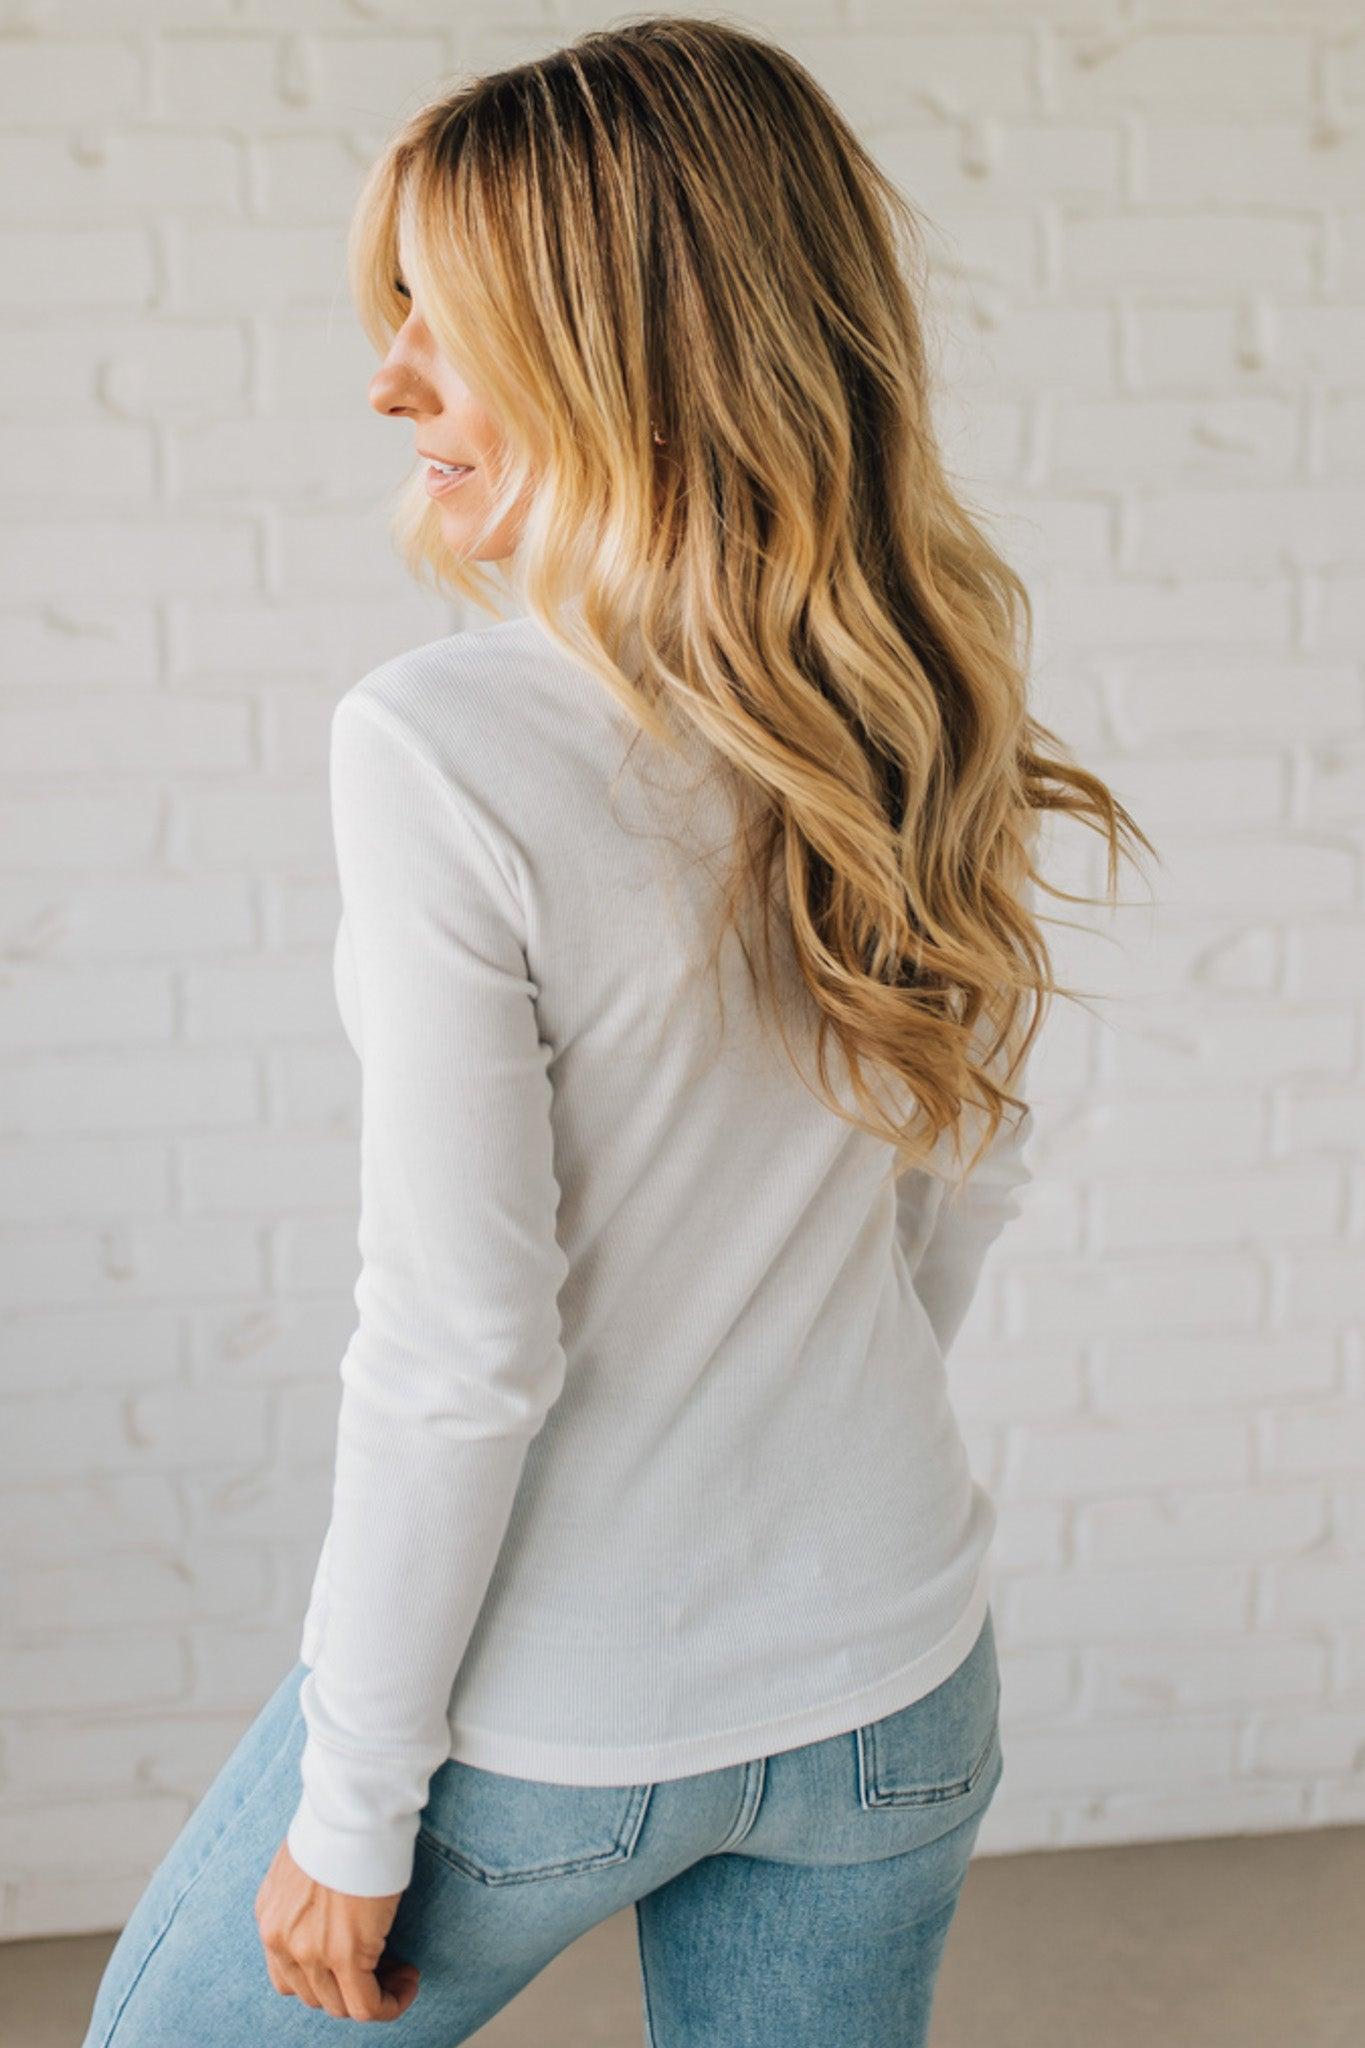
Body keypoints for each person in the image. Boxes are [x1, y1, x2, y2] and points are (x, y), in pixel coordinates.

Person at [81, 17, 1151, 2046]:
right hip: (896, 1675)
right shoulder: (918, 695)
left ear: (627, 352)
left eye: (446, 319)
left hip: (551, 1712)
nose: (387, 374)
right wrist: (774, 1449)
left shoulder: (441, 744)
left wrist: (353, 1806)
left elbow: (460, 1348)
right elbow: (964, 1175)